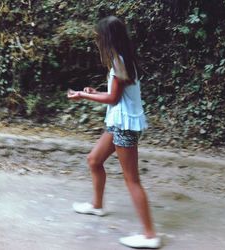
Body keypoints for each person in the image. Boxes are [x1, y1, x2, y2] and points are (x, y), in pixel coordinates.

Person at [67, 16, 161, 249]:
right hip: (119, 122)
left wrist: (84, 95)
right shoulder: (122, 59)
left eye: (99, 37)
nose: (98, 40)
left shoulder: (119, 62)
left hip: (125, 126)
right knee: (94, 160)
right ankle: (97, 206)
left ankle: (150, 236)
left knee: (132, 180)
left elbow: (112, 98)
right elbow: (114, 94)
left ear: (107, 38)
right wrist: (95, 90)